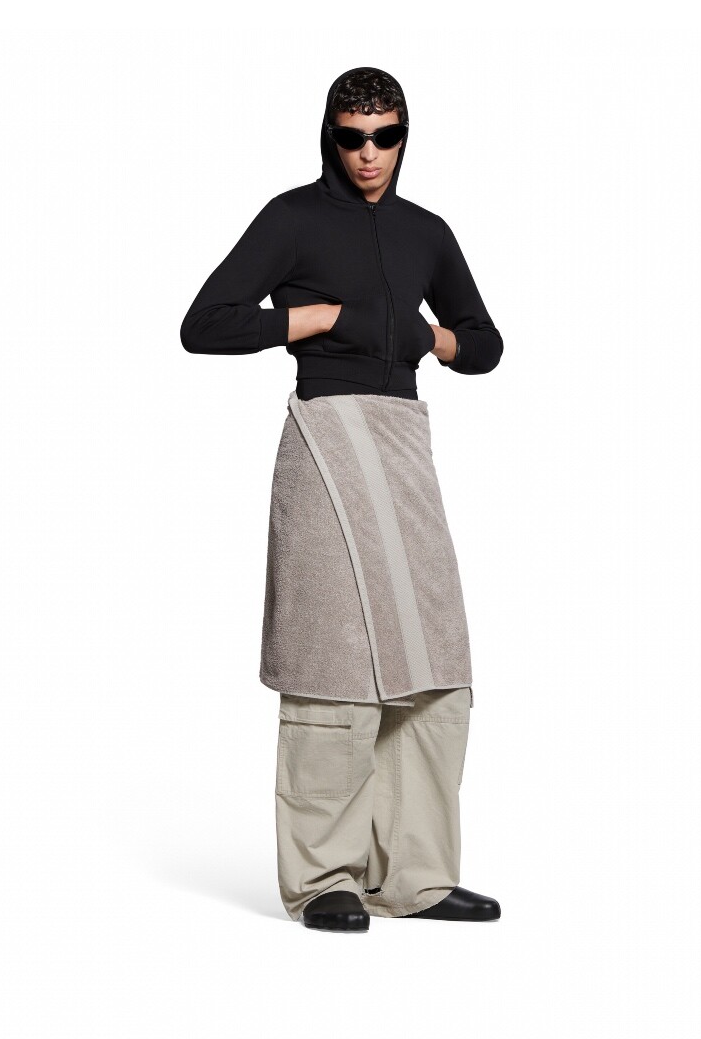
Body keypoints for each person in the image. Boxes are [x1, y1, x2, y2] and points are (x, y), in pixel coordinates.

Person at [181, 66, 503, 931]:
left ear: (405, 136)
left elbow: (485, 343)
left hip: (403, 447)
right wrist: (315, 320)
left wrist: (431, 339)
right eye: (353, 137)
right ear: (330, 134)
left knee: (436, 663)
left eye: (385, 137)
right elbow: (204, 324)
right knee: (334, 661)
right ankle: (326, 876)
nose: (369, 154)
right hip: (324, 440)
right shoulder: (292, 218)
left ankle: (416, 877)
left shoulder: (426, 231)